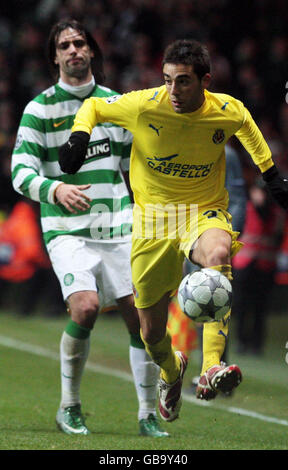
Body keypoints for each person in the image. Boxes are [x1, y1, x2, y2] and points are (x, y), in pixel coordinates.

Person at [59, 39, 288, 421]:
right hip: (151, 222)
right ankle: (171, 372)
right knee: (150, 332)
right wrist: (80, 135)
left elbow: (247, 127)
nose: (173, 91)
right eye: (167, 80)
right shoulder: (144, 104)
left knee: (217, 256)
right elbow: (94, 105)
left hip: (202, 212)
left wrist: (271, 175)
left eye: (182, 82)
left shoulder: (225, 110)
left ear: (205, 81)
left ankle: (211, 365)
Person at [11, 19, 169, 438]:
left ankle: (147, 413)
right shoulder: (40, 109)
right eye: (64, 45)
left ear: (93, 51)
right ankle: (69, 408)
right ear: (55, 56)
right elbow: (19, 172)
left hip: (119, 227)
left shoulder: (116, 104)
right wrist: (56, 188)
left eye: (80, 43)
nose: (73, 50)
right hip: (67, 230)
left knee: (143, 320)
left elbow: (138, 163)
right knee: (85, 307)